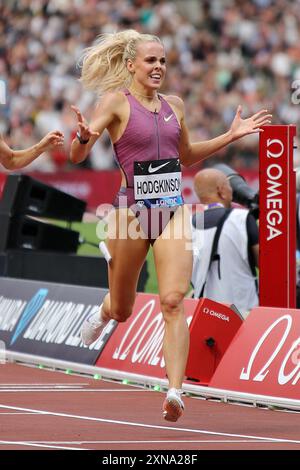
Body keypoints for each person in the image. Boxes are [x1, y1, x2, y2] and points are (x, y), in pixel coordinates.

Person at [70, 29, 271, 422]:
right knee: (124, 307)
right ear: (131, 65)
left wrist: (229, 136)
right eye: (151, 60)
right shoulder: (115, 102)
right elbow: (78, 154)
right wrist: (81, 137)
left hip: (172, 211)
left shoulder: (174, 106)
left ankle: (175, 390)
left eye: (163, 60)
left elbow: (187, 156)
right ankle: (105, 313)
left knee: (173, 300)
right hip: (131, 212)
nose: (159, 67)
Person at [191, 168, 259, 316]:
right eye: (229, 187)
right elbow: (265, 263)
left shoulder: (187, 225)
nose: (232, 192)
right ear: (221, 190)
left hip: (204, 312)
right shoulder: (241, 218)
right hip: (243, 311)